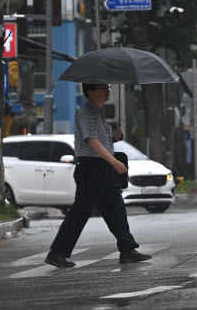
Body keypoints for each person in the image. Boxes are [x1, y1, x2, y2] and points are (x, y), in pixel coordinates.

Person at [45, 83, 152, 268]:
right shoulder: (85, 112)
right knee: (80, 212)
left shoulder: (98, 113)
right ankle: (57, 253)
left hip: (103, 168)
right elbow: (92, 142)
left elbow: (100, 142)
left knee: (116, 209)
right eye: (104, 88)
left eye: (108, 87)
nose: (108, 90)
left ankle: (127, 249)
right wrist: (114, 162)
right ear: (91, 91)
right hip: (91, 170)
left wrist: (114, 139)